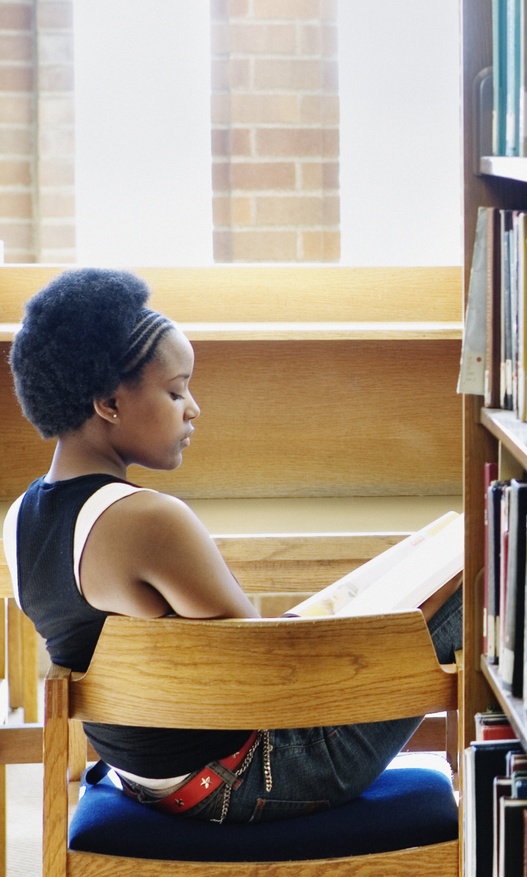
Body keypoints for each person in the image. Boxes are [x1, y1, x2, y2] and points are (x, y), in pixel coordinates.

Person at [1, 267, 461, 824]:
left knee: (408, 577)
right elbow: (271, 675)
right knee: (477, 573)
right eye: (176, 390)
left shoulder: (21, 517)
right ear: (108, 402)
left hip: (145, 778)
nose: (193, 408)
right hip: (248, 777)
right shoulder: (148, 520)